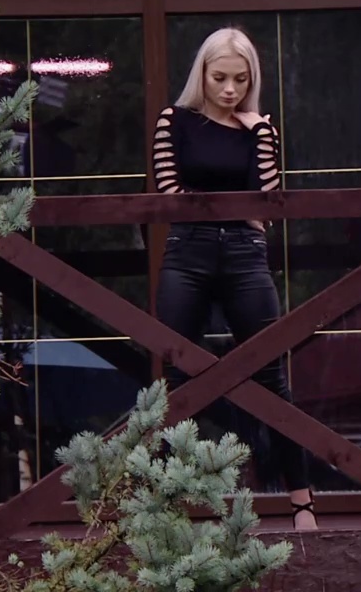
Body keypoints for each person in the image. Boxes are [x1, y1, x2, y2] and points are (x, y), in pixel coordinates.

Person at [151, 27, 317, 531]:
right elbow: (169, 191)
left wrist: (261, 134)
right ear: (201, 74)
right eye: (220, 78)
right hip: (188, 252)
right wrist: (229, 209)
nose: (229, 89)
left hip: (246, 255)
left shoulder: (258, 129)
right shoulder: (174, 120)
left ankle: (302, 503)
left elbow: (265, 202)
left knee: (270, 375)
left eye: (240, 80)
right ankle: (163, 505)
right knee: (175, 376)